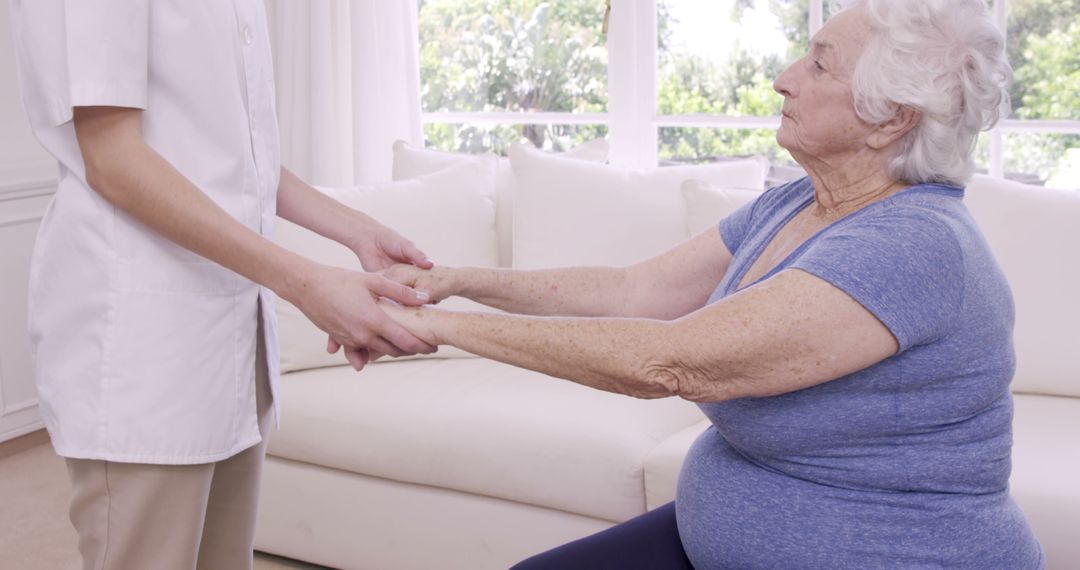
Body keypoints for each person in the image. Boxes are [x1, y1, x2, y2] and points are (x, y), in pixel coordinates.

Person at [379, 0, 1045, 567]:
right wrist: (455, 281)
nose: (784, 79)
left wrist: (440, 328)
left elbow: (663, 360)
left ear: (893, 118)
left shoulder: (913, 245)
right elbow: (633, 292)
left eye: (819, 65)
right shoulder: (797, 203)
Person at [9, 1, 433, 568]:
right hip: (145, 351)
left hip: (232, 342)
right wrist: (304, 283)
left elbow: (233, 152)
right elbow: (112, 156)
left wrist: (356, 231)